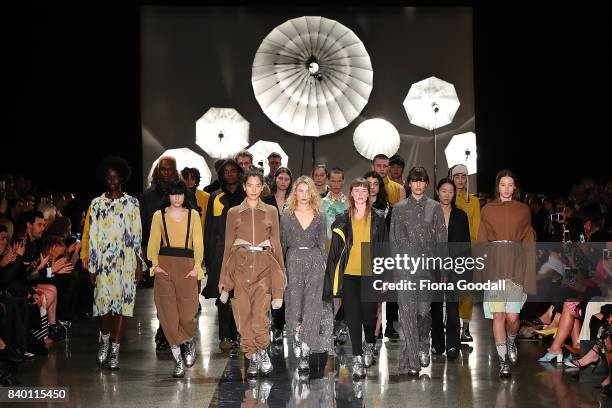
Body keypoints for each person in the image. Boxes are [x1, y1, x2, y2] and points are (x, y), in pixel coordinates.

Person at [218, 169, 286, 377]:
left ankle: (262, 351)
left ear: (263, 186)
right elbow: (228, 244)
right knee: (242, 314)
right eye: (250, 185)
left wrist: (281, 274)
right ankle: (252, 355)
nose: (254, 189)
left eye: (258, 185)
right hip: (240, 267)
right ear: (244, 186)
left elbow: (276, 243)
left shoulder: (271, 212)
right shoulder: (233, 213)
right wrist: (223, 277)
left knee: (260, 314)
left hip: (264, 267)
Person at [323, 178, 387, 379]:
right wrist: (333, 276)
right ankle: (357, 357)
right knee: (353, 316)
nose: (360, 194)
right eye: (356, 190)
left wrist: (385, 276)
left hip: (369, 269)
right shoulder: (343, 219)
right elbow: (334, 252)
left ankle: (370, 343)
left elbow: (385, 248)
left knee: (369, 316)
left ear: (369, 194)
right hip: (349, 272)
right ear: (351, 194)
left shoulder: (378, 218)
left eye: (363, 190)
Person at [475, 169, 536, 377]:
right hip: (494, 266)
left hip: (516, 265)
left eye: (510, 185)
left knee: (513, 317)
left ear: (515, 187)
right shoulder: (488, 209)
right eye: (503, 185)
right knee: (498, 315)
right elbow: (481, 241)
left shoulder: (524, 210)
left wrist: (530, 273)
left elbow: (529, 242)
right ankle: (503, 362)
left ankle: (511, 340)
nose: (507, 189)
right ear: (497, 186)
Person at [86, 157, 142, 370]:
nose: (112, 180)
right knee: (103, 308)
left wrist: (138, 264)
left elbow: (136, 235)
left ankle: (115, 351)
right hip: (103, 263)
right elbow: (92, 236)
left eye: (115, 177)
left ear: (122, 178)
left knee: (122, 308)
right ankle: (105, 338)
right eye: (108, 177)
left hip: (125, 261)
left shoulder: (131, 203)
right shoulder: (97, 203)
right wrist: (92, 266)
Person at [390, 166, 447, 376]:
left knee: (423, 313)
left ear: (427, 183)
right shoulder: (398, 209)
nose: (419, 185)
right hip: (405, 268)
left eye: (422, 181)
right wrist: (393, 273)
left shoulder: (435, 207)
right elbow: (394, 242)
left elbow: (442, 240)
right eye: (415, 181)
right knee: (406, 314)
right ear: (409, 183)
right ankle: (413, 361)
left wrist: (443, 270)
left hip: (428, 269)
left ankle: (423, 343)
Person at [147, 179, 204, 378]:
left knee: (188, 315)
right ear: (168, 195)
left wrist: (197, 267)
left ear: (185, 195)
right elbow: (153, 241)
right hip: (165, 266)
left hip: (187, 265)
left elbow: (198, 241)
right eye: (173, 193)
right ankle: (177, 359)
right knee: (168, 317)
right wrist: (156, 266)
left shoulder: (193, 215)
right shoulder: (158, 216)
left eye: (180, 193)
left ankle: (188, 340)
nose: (177, 197)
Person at [140, 157, 197, 349]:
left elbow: (194, 227)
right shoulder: (147, 196)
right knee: (164, 299)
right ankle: (165, 332)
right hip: (158, 252)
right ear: (157, 171)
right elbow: (145, 226)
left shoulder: (187, 194)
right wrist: (148, 255)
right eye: (162, 169)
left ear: (175, 171)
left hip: (184, 256)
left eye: (169, 169)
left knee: (184, 302)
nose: (165, 172)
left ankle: (180, 335)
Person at [281, 176, 333, 376]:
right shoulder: (286, 215)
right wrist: (282, 271)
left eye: (307, 190)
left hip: (315, 262)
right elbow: (282, 244)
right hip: (293, 262)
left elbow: (323, 244)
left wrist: (326, 269)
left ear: (312, 192)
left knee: (312, 307)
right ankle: (296, 335)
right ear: (295, 193)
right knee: (295, 305)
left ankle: (305, 352)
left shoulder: (320, 215)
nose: (303, 195)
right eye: (300, 191)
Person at [202, 159, 246, 351]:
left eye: (233, 170)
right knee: (223, 295)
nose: (229, 173)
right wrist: (208, 257)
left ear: (239, 173)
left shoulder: (247, 196)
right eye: (225, 171)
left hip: (243, 251)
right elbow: (209, 227)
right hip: (220, 252)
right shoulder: (215, 196)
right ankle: (225, 335)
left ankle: (240, 332)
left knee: (242, 294)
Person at [431, 178, 470, 360]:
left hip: (455, 267)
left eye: (450, 191)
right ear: (437, 191)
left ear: (455, 194)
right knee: (436, 306)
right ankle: (437, 345)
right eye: (443, 190)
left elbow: (465, 245)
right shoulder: (428, 213)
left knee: (453, 307)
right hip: (433, 267)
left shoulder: (461, 216)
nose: (447, 194)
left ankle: (453, 345)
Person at [363, 170, 398, 340]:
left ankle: (376, 332)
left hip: (382, 253)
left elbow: (392, 233)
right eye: (369, 183)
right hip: (362, 254)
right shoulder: (358, 206)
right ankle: (367, 331)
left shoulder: (388, 208)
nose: (372, 187)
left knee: (379, 296)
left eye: (376, 183)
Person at [450, 164, 481, 343]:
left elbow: (476, 228)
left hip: (467, 252)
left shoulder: (474, 201)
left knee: (467, 292)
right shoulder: (447, 198)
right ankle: (451, 326)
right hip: (449, 251)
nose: (460, 180)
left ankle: (465, 328)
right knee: (449, 291)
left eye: (463, 176)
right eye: (457, 176)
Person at [263, 167, 293, 343]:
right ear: (275, 180)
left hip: (290, 248)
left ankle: (280, 326)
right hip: (270, 248)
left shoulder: (294, 201)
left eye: (286, 179)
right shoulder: (266, 200)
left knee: (284, 287)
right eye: (280, 178)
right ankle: (269, 323)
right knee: (269, 287)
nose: (283, 182)